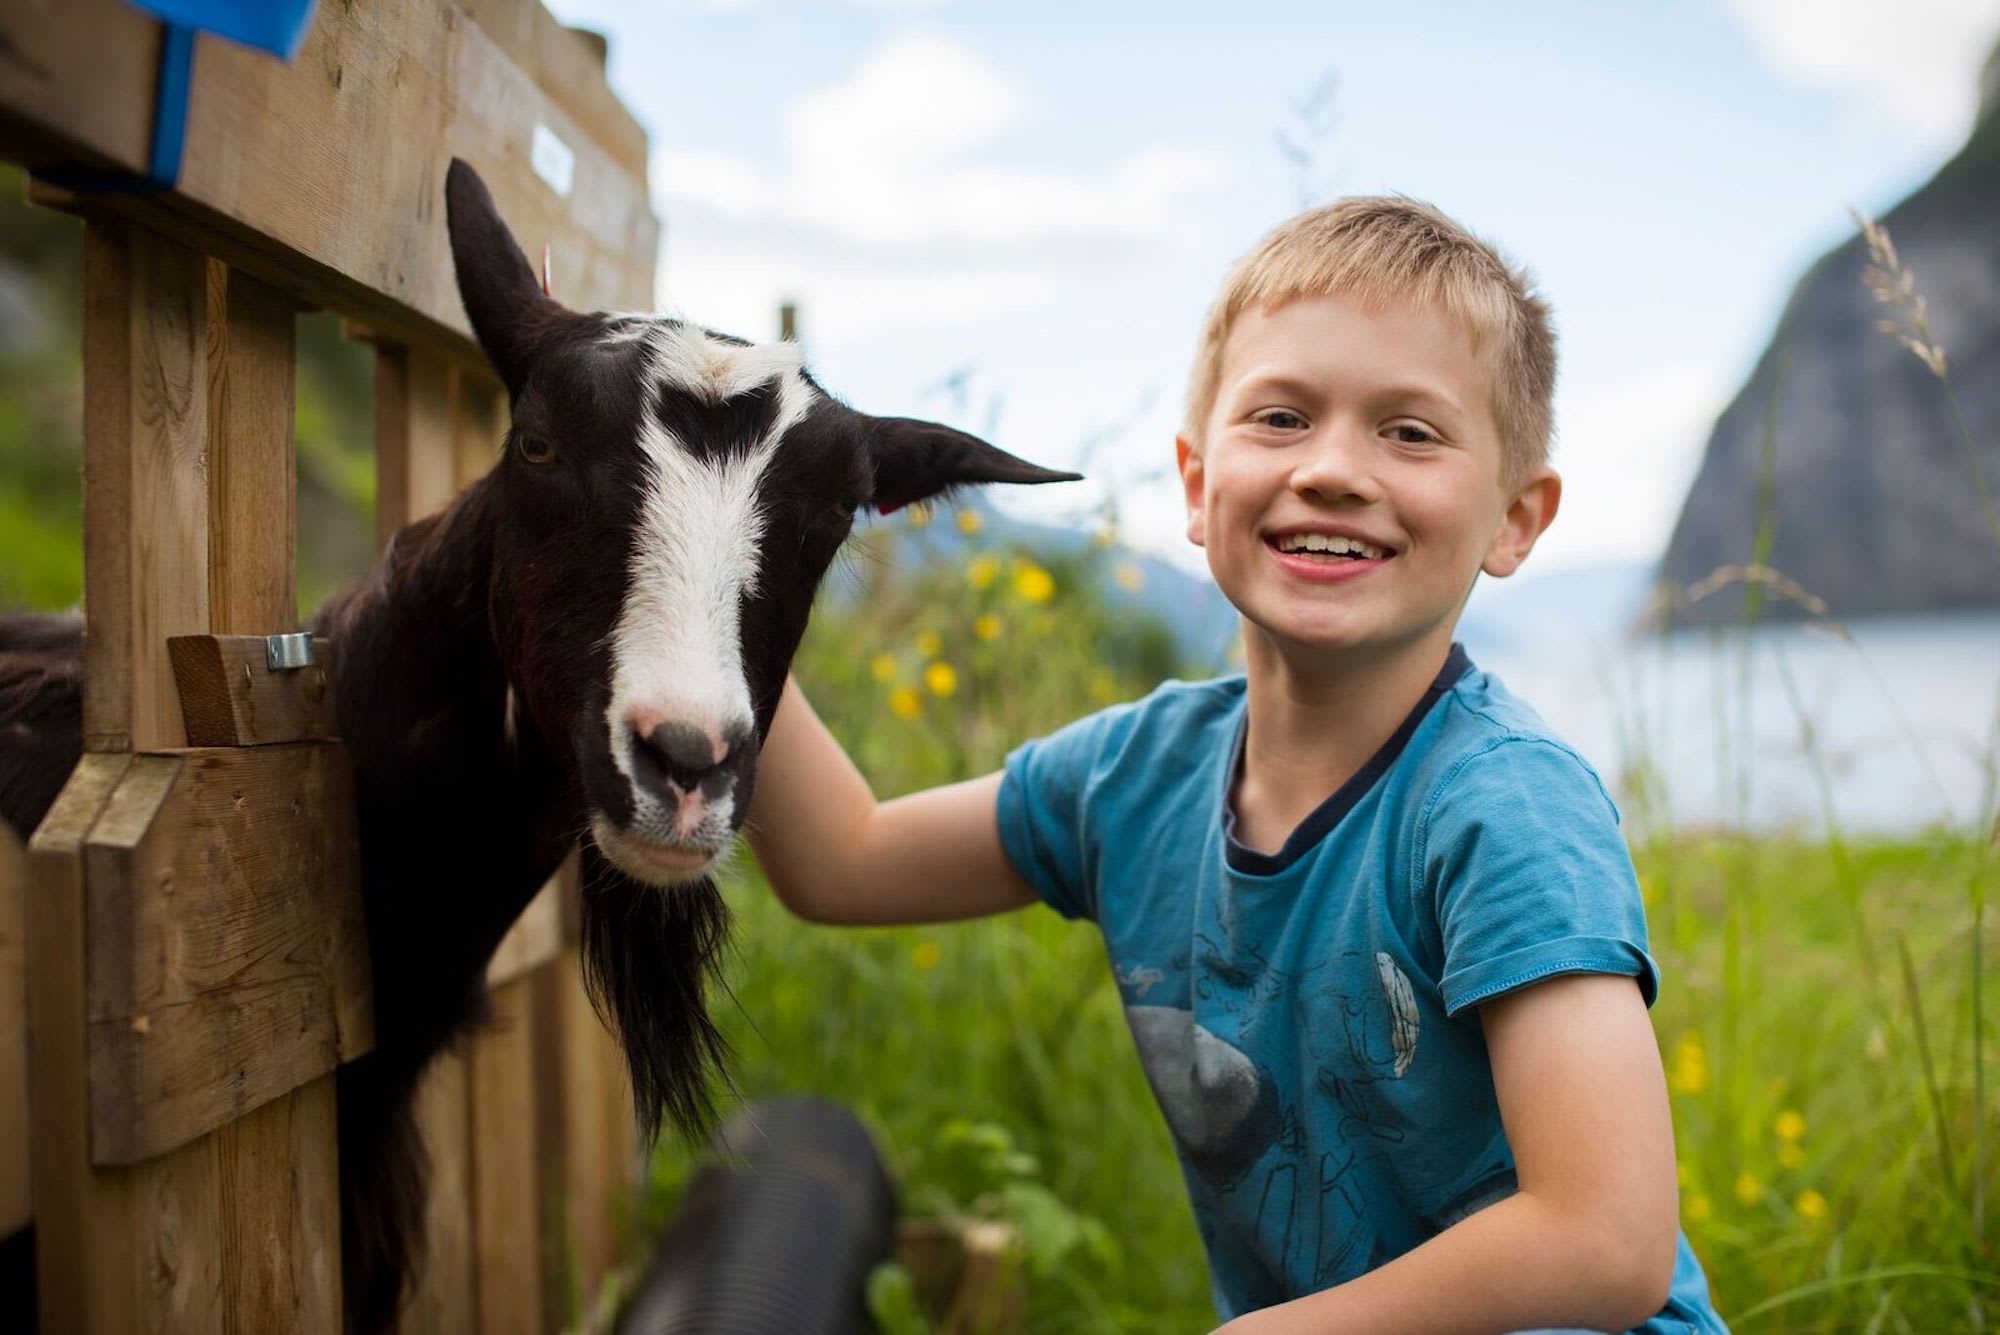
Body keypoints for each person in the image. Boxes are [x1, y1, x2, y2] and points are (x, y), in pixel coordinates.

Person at [744, 197, 1729, 1334]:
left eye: (1408, 432)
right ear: (1198, 487)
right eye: (1279, 417)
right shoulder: (1134, 776)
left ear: (1514, 519)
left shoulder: (1500, 806)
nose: (1331, 470)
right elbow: (843, 862)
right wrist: (711, 613)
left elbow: (1604, 1244)